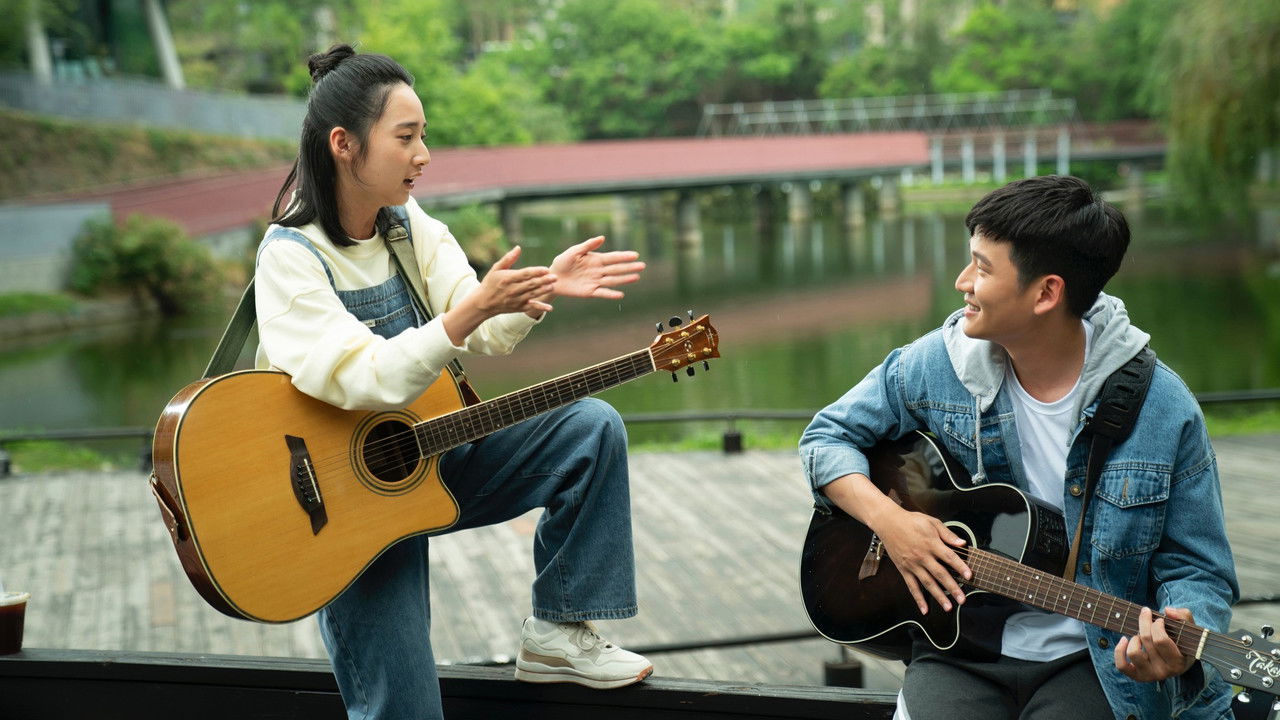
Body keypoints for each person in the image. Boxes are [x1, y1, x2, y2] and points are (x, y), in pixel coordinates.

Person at [254, 44, 652, 719]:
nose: (424, 155)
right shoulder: (290, 260)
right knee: (406, 711)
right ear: (344, 145)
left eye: (424, 136)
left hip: (429, 461)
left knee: (590, 428)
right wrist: (465, 314)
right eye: (407, 137)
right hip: (338, 509)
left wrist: (540, 288)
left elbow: (484, 330)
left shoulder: (412, 231)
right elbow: (366, 379)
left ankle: (559, 629)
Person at [799, 175, 1238, 720]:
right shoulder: (937, 363)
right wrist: (893, 523)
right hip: (959, 649)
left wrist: (1176, 644)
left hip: (1091, 658)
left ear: (1047, 293)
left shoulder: (1161, 407)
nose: (962, 282)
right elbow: (826, 437)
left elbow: (1199, 569)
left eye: (983, 268)